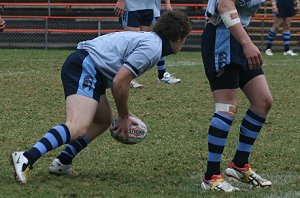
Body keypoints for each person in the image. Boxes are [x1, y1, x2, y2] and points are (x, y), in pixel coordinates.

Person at [11, 10, 192, 184]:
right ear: (178, 38)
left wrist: (123, 114)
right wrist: (124, 116)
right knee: (78, 125)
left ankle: (63, 162)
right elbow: (120, 82)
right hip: (86, 66)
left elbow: (119, 81)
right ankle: (27, 157)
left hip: (90, 68)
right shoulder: (153, 47)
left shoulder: (151, 42)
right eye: (185, 39)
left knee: (102, 120)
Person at [200, 0, 273, 192]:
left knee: (263, 101)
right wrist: (247, 43)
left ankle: (239, 165)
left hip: (238, 33)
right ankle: (211, 176)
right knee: (227, 107)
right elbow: (224, 4)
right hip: (221, 35)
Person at [115, 0, 181, 88]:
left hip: (149, 8)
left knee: (148, 42)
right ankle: (126, 78)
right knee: (131, 42)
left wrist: (167, 3)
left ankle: (162, 74)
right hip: (132, 7)